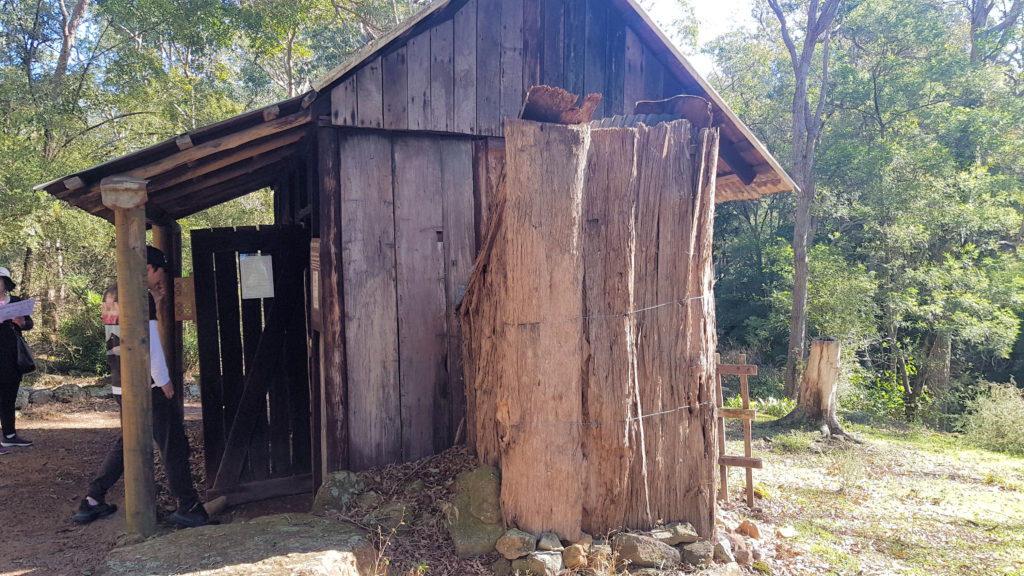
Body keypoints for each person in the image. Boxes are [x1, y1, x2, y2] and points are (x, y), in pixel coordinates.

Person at [74, 246, 209, 527]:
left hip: (120, 382)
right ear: (149, 268)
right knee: (173, 445)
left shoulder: (112, 293)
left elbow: (119, 338)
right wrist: (163, 381)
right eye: (159, 272)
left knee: (127, 443)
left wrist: (156, 304)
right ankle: (189, 506)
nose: (160, 280)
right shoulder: (138, 295)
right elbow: (146, 341)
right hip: (145, 386)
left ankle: (93, 499)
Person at [0, 266, 34, 455]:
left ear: (6, 283)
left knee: (9, 395)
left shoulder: (15, 302)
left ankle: (10, 435)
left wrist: (22, 323)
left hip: (13, 356)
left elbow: (29, 323)